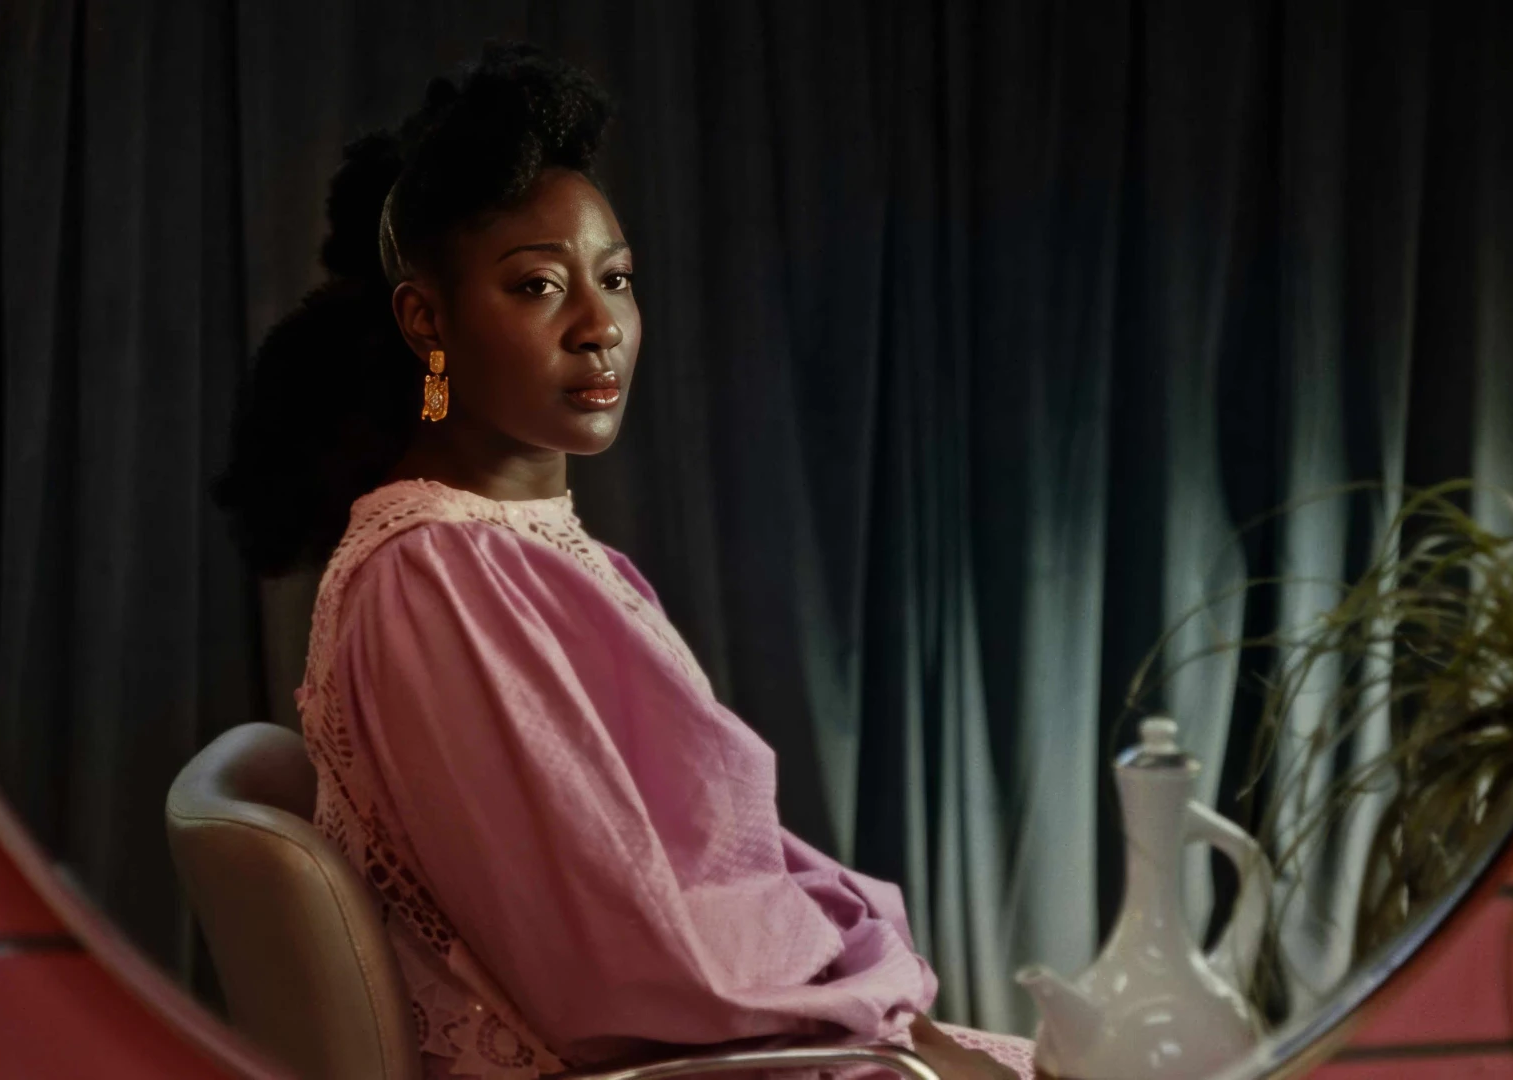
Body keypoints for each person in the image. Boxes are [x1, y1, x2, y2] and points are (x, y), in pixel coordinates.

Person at [215, 43, 1033, 1080]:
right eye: (539, 287)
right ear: (428, 321)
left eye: (616, 280)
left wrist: (887, 1002)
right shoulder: (437, 577)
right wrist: (887, 1020)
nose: (599, 329)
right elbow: (618, 968)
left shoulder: (512, 549)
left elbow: (700, 887)